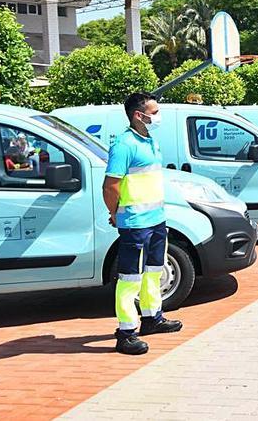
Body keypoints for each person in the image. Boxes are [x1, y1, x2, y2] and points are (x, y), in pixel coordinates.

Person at [103, 92, 183, 356]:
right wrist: (115, 214)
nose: (157, 116)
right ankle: (125, 333)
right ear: (139, 115)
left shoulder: (150, 141)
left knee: (153, 271)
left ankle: (152, 318)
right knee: (129, 278)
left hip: (156, 220)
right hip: (136, 223)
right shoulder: (124, 145)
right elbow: (111, 185)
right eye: (154, 112)